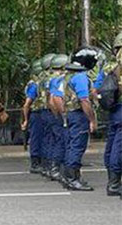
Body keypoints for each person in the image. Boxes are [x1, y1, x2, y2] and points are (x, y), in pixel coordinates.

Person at [58, 49, 98, 191]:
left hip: (70, 114)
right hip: (79, 115)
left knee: (71, 145)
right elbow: (84, 101)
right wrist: (92, 119)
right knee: (77, 146)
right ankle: (72, 179)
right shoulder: (80, 77)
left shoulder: (69, 76)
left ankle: (68, 176)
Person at [97, 33, 121, 197]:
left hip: (114, 110)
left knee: (112, 144)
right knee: (119, 148)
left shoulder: (108, 67)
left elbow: (97, 88)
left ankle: (112, 181)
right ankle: (114, 185)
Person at [45, 54, 70, 183]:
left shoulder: (49, 79)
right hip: (58, 114)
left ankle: (52, 167)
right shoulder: (59, 79)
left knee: (54, 141)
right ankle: (56, 169)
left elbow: (50, 100)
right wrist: (62, 114)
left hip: (51, 114)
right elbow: (54, 99)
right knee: (61, 141)